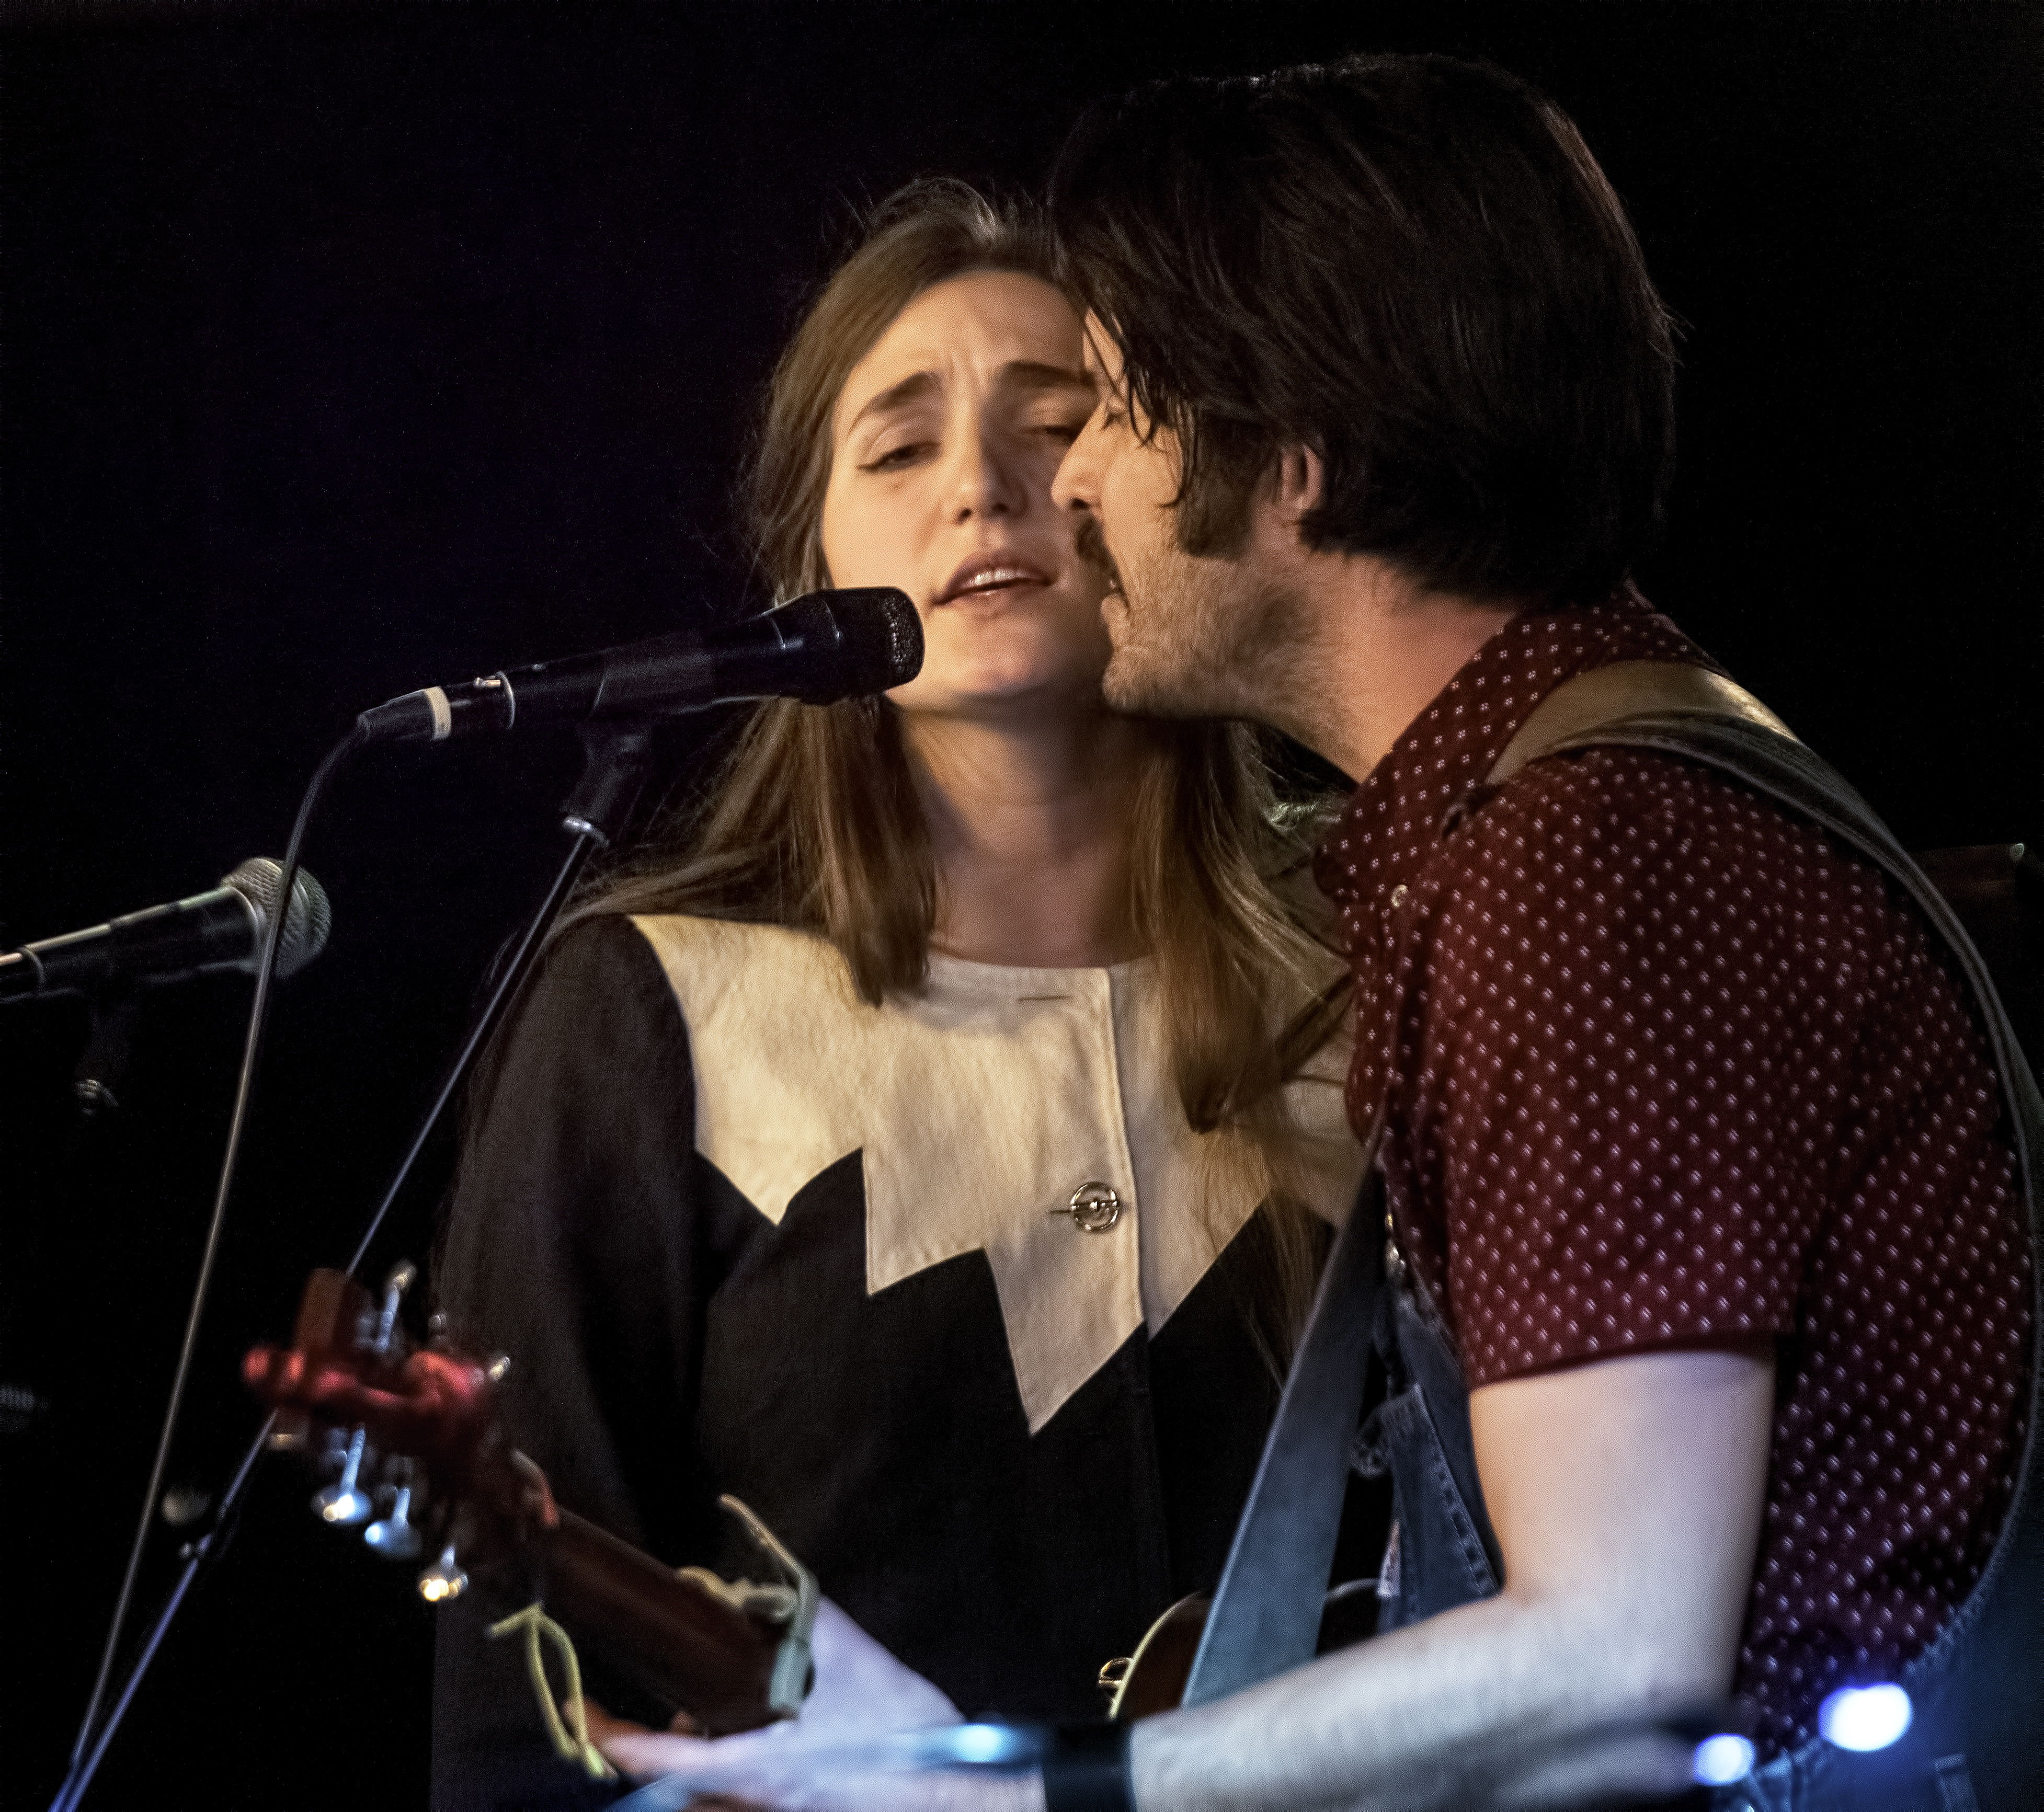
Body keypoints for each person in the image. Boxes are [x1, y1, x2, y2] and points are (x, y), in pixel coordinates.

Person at [605, 53, 2041, 1812]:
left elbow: (1618, 1651)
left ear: (1292, 457)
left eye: (1113, 415)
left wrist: (1027, 1797)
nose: (1073, 493)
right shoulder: (1549, 823)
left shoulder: (1579, 869)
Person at [429, 179, 1364, 1811]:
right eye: (899, 448)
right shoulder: (654, 1008)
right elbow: (524, 1697)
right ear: (817, 557)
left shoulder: (1384, 957)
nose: (985, 490)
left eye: (1056, 421)